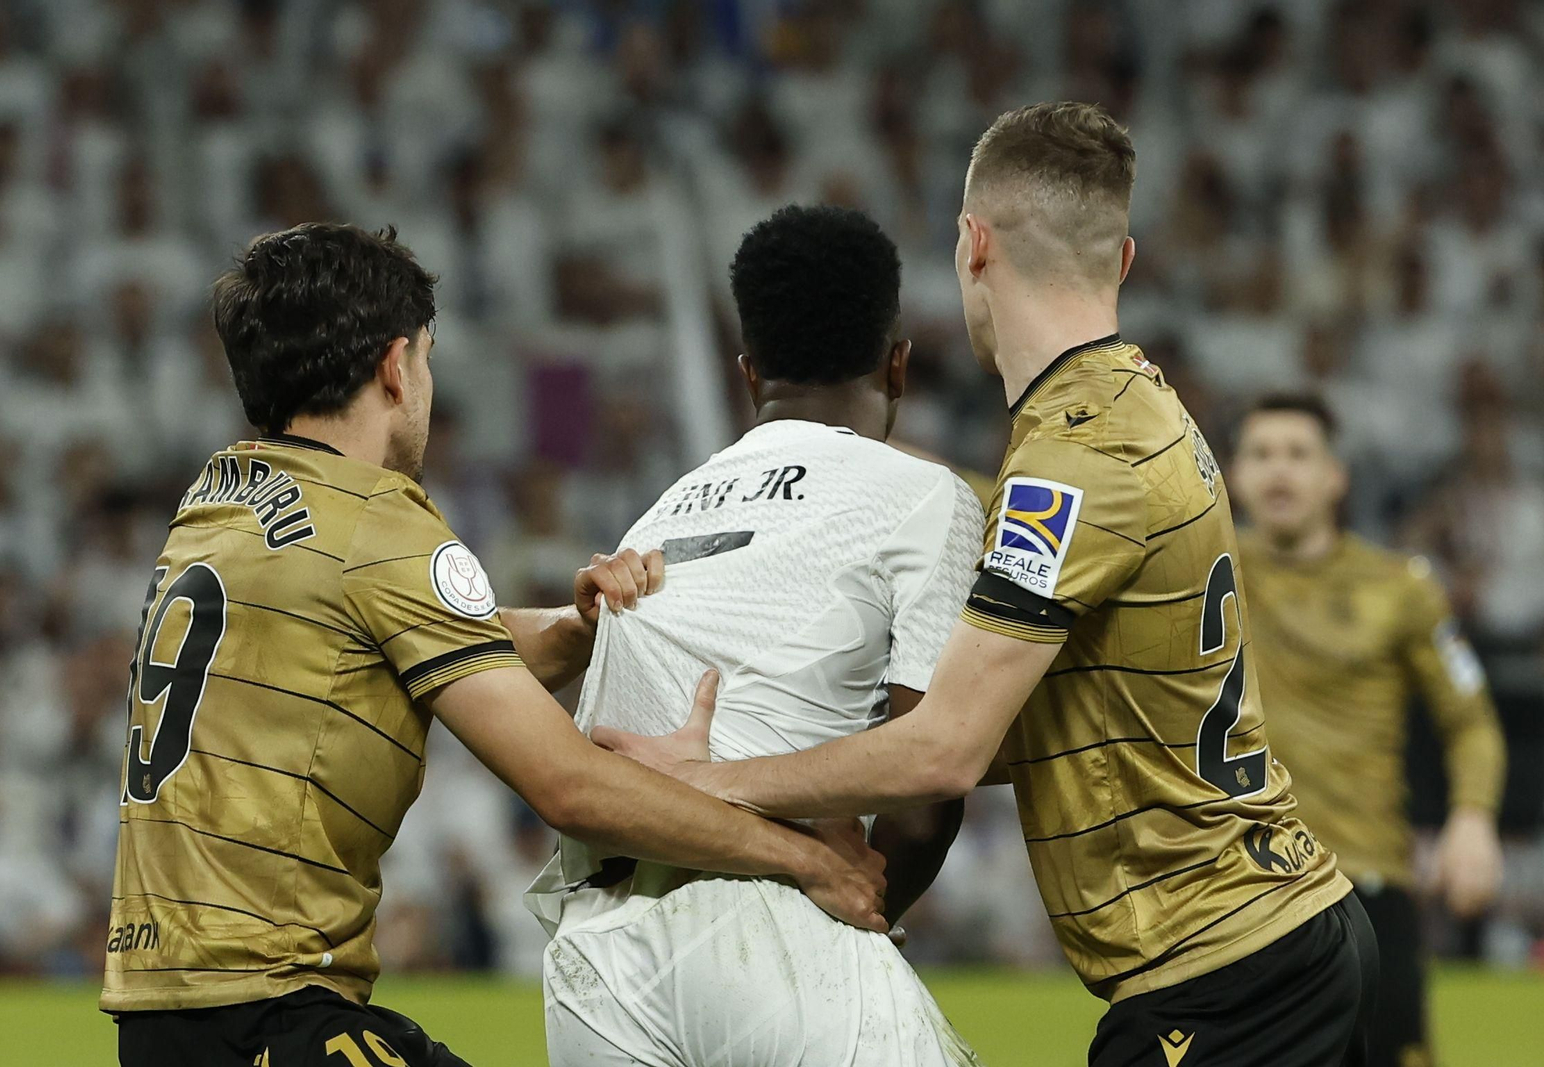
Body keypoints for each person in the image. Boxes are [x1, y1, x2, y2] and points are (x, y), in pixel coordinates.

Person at [594, 103, 1379, 1066]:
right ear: (1121, 261)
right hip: (1275, 937)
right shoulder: (1134, 405)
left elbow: (947, 753)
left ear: (972, 245)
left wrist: (710, 783)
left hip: (1222, 973)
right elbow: (1046, 720)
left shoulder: (1070, 462)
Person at [101, 223, 886, 1067]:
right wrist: (801, 857)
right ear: (396, 366)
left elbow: (387, 641)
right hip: (268, 1009)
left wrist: (577, 628)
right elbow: (570, 787)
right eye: (430, 361)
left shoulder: (220, 504)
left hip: (164, 1014)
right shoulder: (380, 523)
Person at [528, 205, 985, 1066]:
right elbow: (926, 795)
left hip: (594, 956)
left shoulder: (659, 514)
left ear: (747, 374)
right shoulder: (924, 494)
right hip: (775, 921)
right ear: (898, 365)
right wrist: (866, 898)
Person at [1230, 393, 1506, 1067]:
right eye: (1261, 454)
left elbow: (1469, 719)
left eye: (1299, 454)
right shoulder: (1207, 573)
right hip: (1238, 890)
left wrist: (1473, 818)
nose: (1279, 472)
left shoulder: (1400, 587)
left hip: (1367, 887)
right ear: (1234, 475)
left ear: (1335, 477)